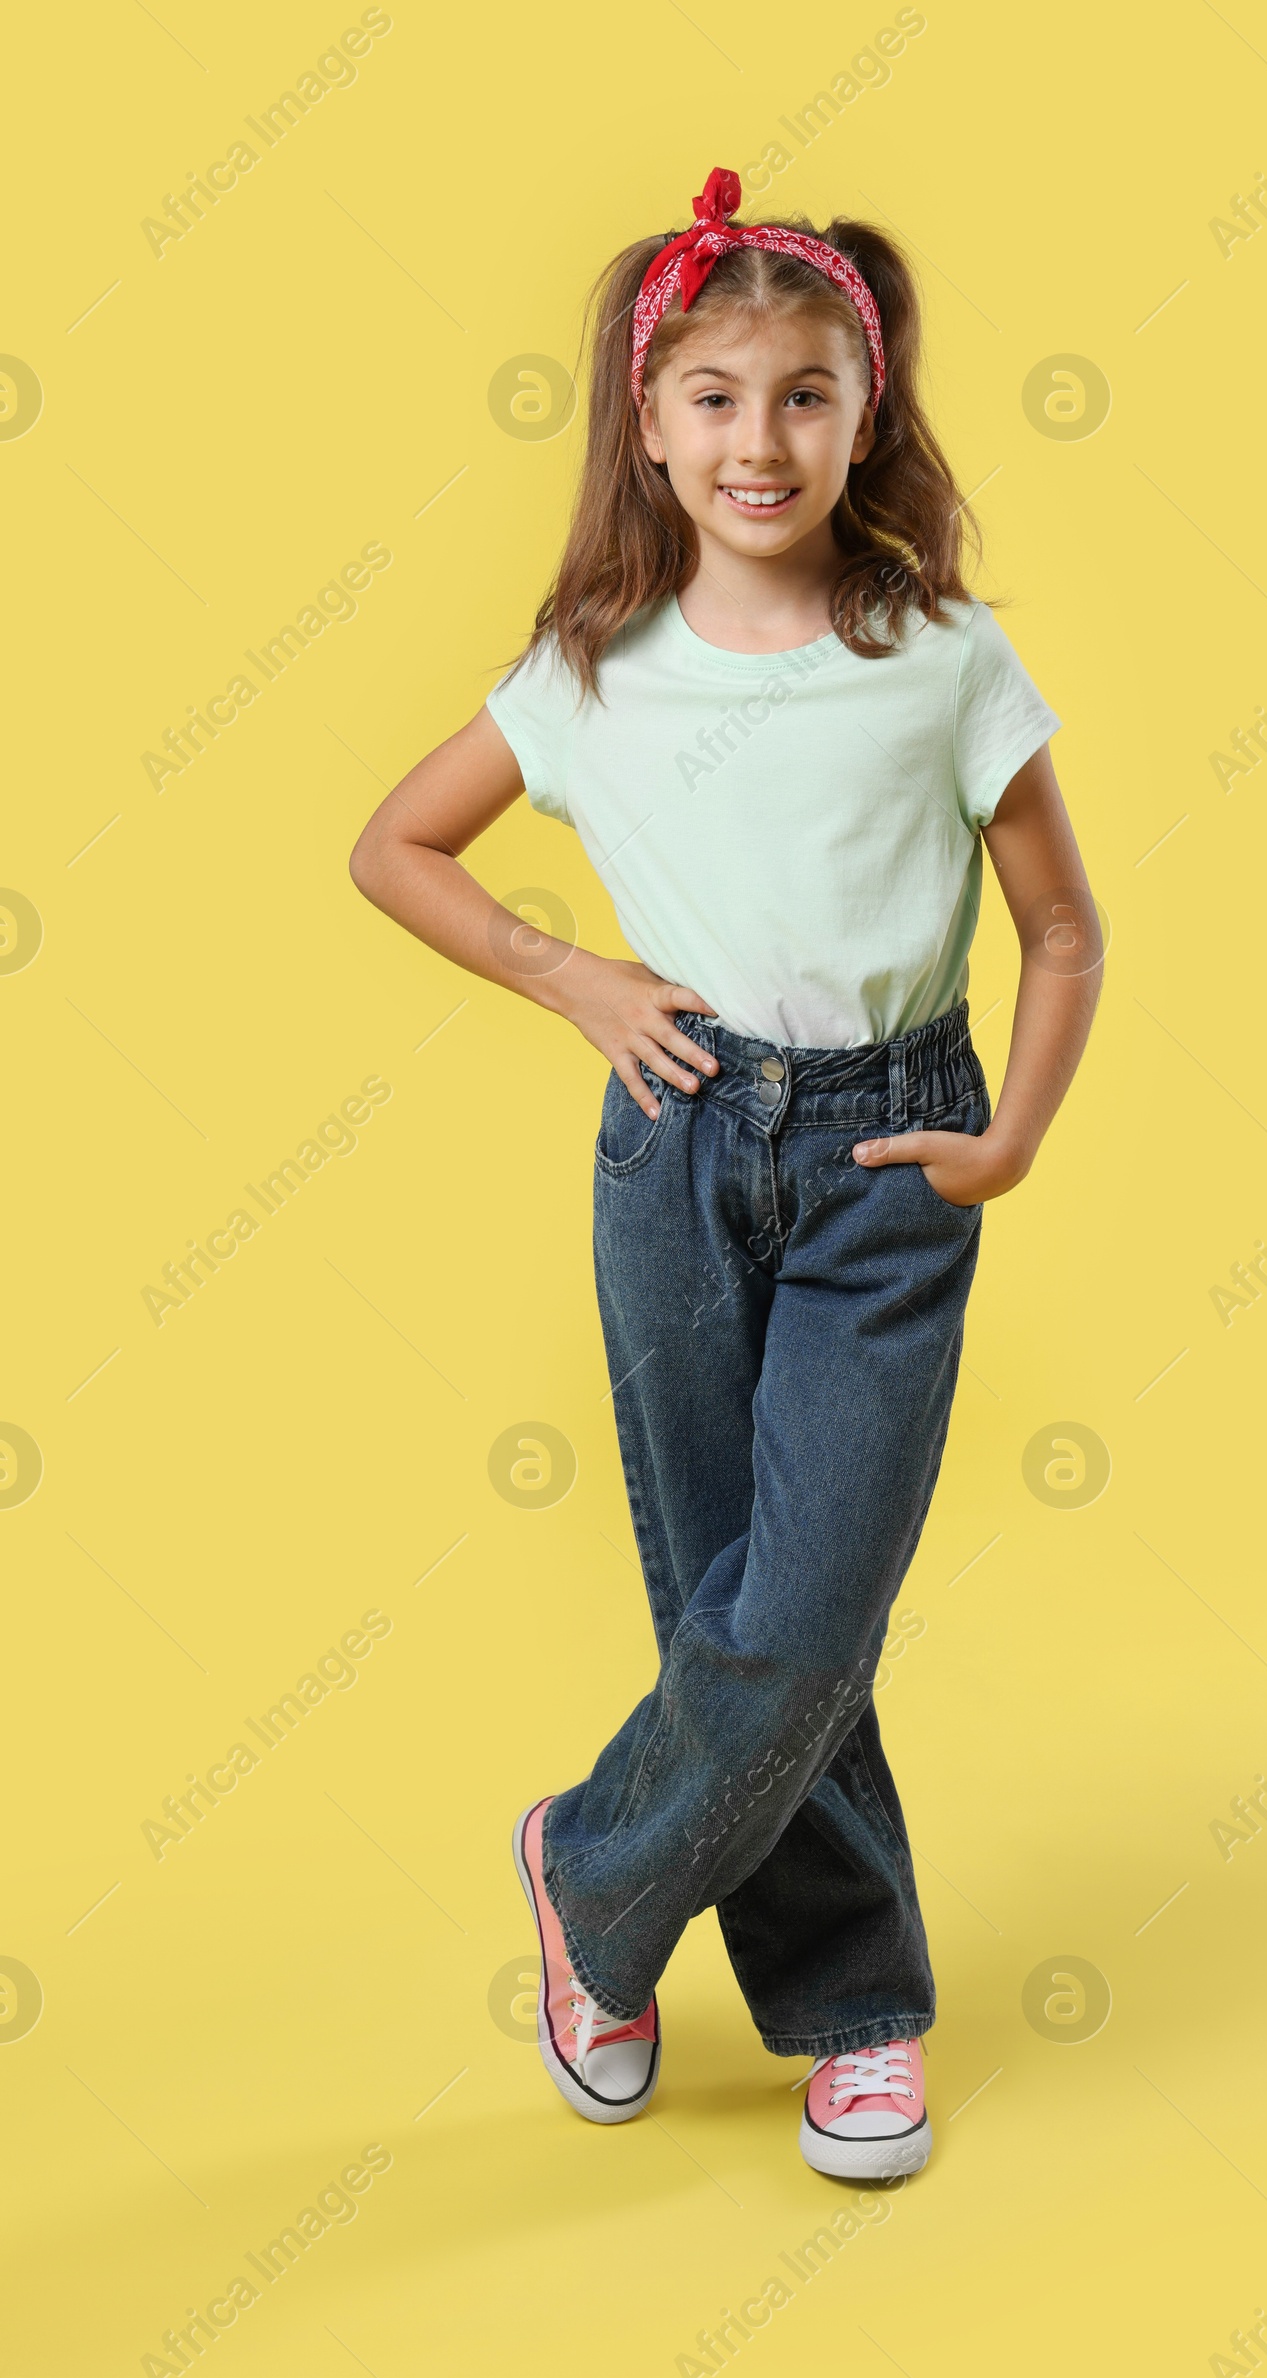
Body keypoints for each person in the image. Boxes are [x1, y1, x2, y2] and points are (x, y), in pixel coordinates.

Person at [349, 167, 1102, 2180]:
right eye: (710, 398)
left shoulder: (941, 657)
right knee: (730, 1606)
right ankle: (852, 2011)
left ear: (866, 412)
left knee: (804, 1613)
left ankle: (586, 1878)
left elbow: (1059, 931)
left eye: (796, 396)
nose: (752, 441)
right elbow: (394, 847)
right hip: (679, 1151)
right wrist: (567, 974)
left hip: (884, 1159)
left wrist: (1009, 1133)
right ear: (645, 420)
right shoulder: (594, 664)